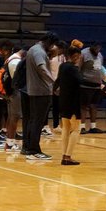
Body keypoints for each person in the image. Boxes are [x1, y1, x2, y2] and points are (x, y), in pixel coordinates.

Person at [21, 31, 61, 161]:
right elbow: (42, 68)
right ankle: (34, 151)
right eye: (53, 44)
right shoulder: (39, 51)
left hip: (34, 90)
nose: (53, 47)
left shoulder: (33, 49)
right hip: (41, 91)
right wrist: (53, 83)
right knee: (37, 122)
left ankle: (27, 147)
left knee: (32, 121)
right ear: (49, 41)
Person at [55, 43, 85, 166]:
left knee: (66, 128)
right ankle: (68, 156)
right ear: (76, 56)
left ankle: (64, 155)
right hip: (73, 101)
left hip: (63, 100)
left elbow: (56, 82)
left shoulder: (62, 66)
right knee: (76, 129)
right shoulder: (73, 68)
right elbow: (81, 81)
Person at [79, 43, 106, 133]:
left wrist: (103, 81)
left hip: (96, 85)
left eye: (99, 49)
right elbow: (78, 68)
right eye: (96, 49)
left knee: (94, 105)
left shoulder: (100, 55)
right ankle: (82, 126)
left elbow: (101, 69)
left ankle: (93, 126)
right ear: (91, 47)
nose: (97, 51)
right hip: (85, 84)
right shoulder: (83, 53)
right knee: (83, 106)